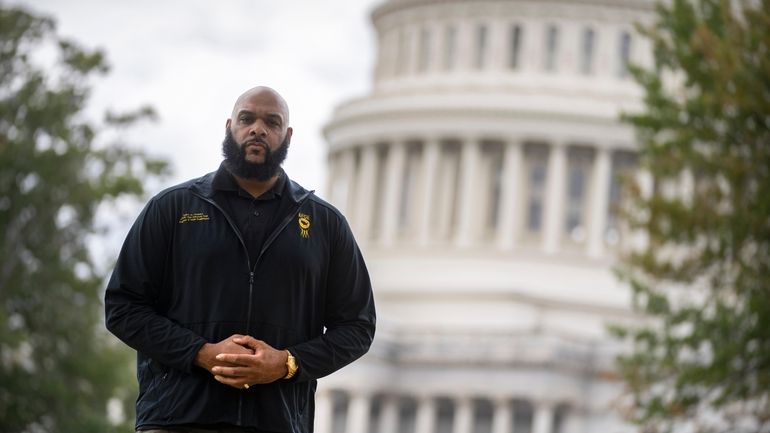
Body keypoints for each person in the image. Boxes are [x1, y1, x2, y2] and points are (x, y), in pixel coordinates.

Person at [105, 86, 376, 433]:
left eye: (272, 122)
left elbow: (358, 327)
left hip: (276, 420)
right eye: (247, 119)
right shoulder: (173, 208)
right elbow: (122, 307)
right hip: (178, 418)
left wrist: (287, 363)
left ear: (287, 135)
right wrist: (200, 353)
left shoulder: (325, 225)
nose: (258, 129)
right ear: (229, 126)